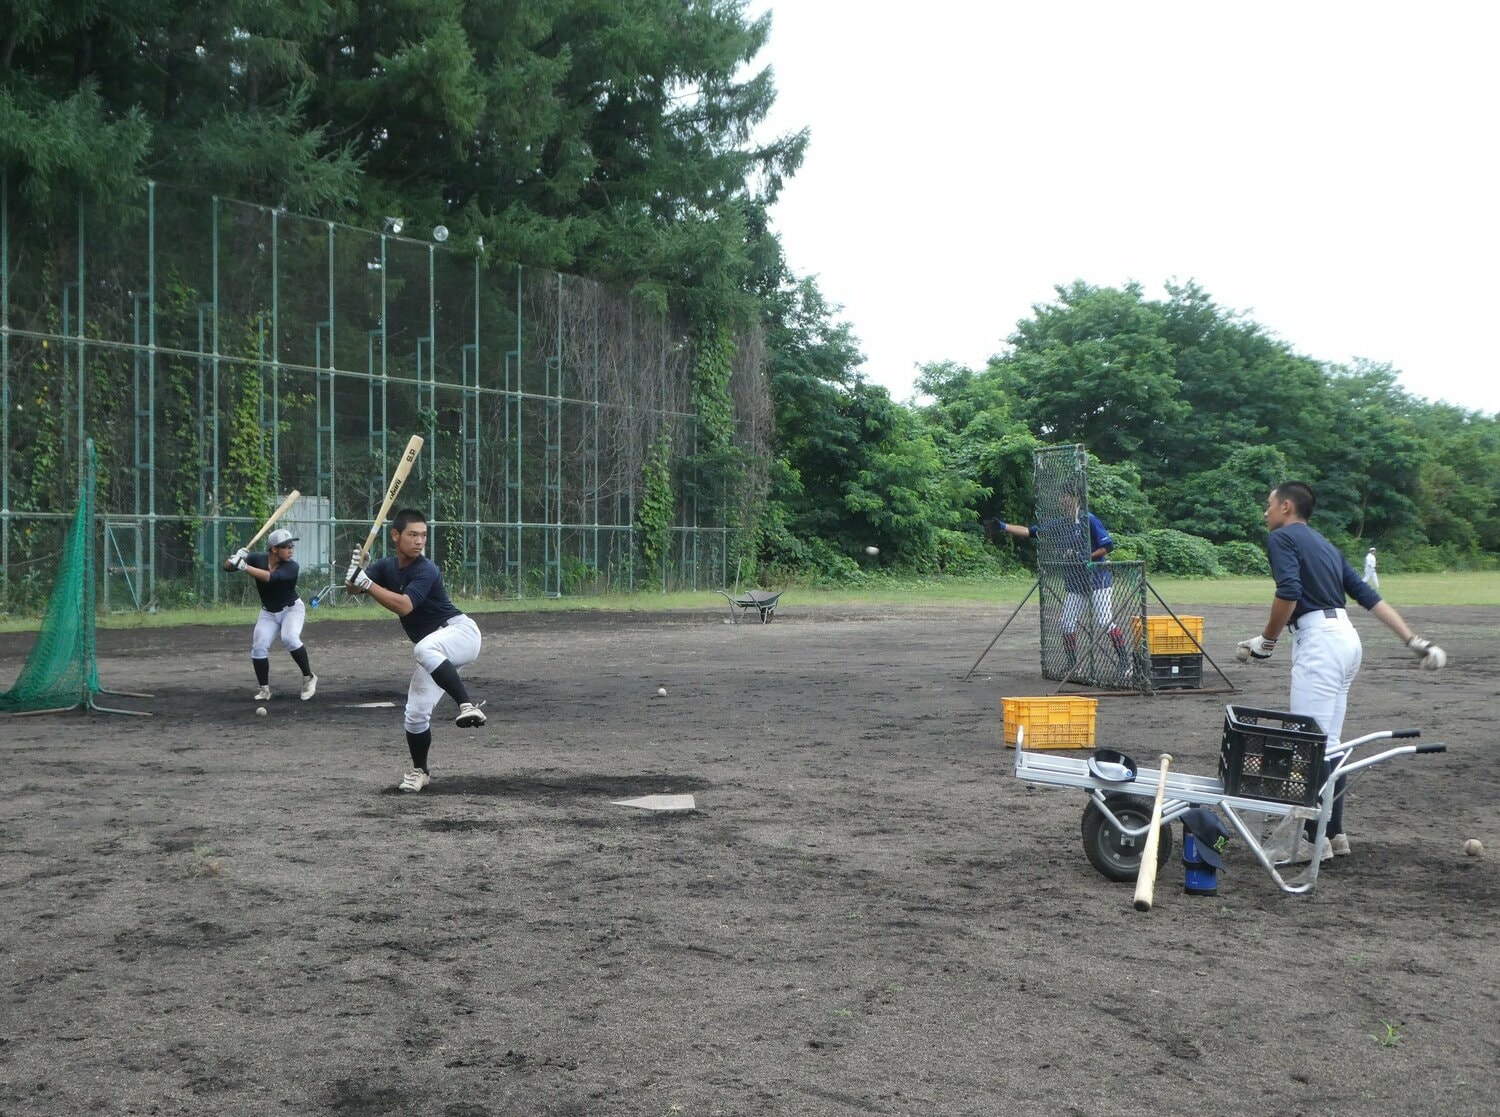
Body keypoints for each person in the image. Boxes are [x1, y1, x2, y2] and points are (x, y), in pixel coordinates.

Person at [1237, 482, 1445, 862]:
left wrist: (1268, 641)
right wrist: (1413, 640)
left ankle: (1306, 841)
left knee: (1308, 743)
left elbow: (1289, 592)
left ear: (1286, 507)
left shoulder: (1282, 539)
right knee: (1329, 743)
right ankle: (1333, 834)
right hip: (1346, 641)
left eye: (1269, 504)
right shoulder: (1325, 545)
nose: (1265, 512)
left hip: (1319, 644)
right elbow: (1367, 597)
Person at [344, 508, 485, 792]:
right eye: (413, 535)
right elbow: (353, 590)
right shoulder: (386, 566)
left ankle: (467, 706)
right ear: (395, 536)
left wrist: (367, 582)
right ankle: (420, 771)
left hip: (460, 634)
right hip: (434, 650)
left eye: (423, 535)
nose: (419, 541)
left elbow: (404, 606)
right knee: (415, 714)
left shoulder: (426, 569)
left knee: (423, 648)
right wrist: (355, 574)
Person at [993, 488, 1132, 680]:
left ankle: (1125, 663)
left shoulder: (1088, 519)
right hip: (1076, 582)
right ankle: (1073, 666)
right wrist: (1002, 526)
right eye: (1062, 496)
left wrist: (1088, 557)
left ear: (1077, 498)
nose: (1062, 499)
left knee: (1104, 620)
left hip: (1098, 580)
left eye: (1066, 495)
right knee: (1066, 623)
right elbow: (1030, 532)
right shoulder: (1062, 524)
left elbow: (1107, 546)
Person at [224, 528, 317, 702]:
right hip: (268, 612)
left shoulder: (292, 566)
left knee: (290, 638)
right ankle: (264, 690)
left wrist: (244, 566)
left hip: (291, 610)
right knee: (259, 647)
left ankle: (309, 677)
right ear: (274, 549)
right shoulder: (257, 558)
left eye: (291, 546)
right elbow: (227, 568)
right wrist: (234, 559)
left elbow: (270, 577)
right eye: (286, 547)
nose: (291, 550)